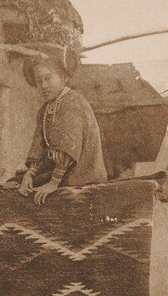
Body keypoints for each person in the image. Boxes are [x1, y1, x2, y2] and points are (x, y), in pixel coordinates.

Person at [6, 43, 108, 205]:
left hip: (81, 173)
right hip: (57, 172)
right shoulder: (45, 110)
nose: (43, 85)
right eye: (39, 81)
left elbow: (68, 147)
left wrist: (53, 183)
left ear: (63, 77)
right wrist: (29, 174)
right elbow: (39, 147)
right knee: (11, 186)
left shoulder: (73, 102)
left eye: (48, 78)